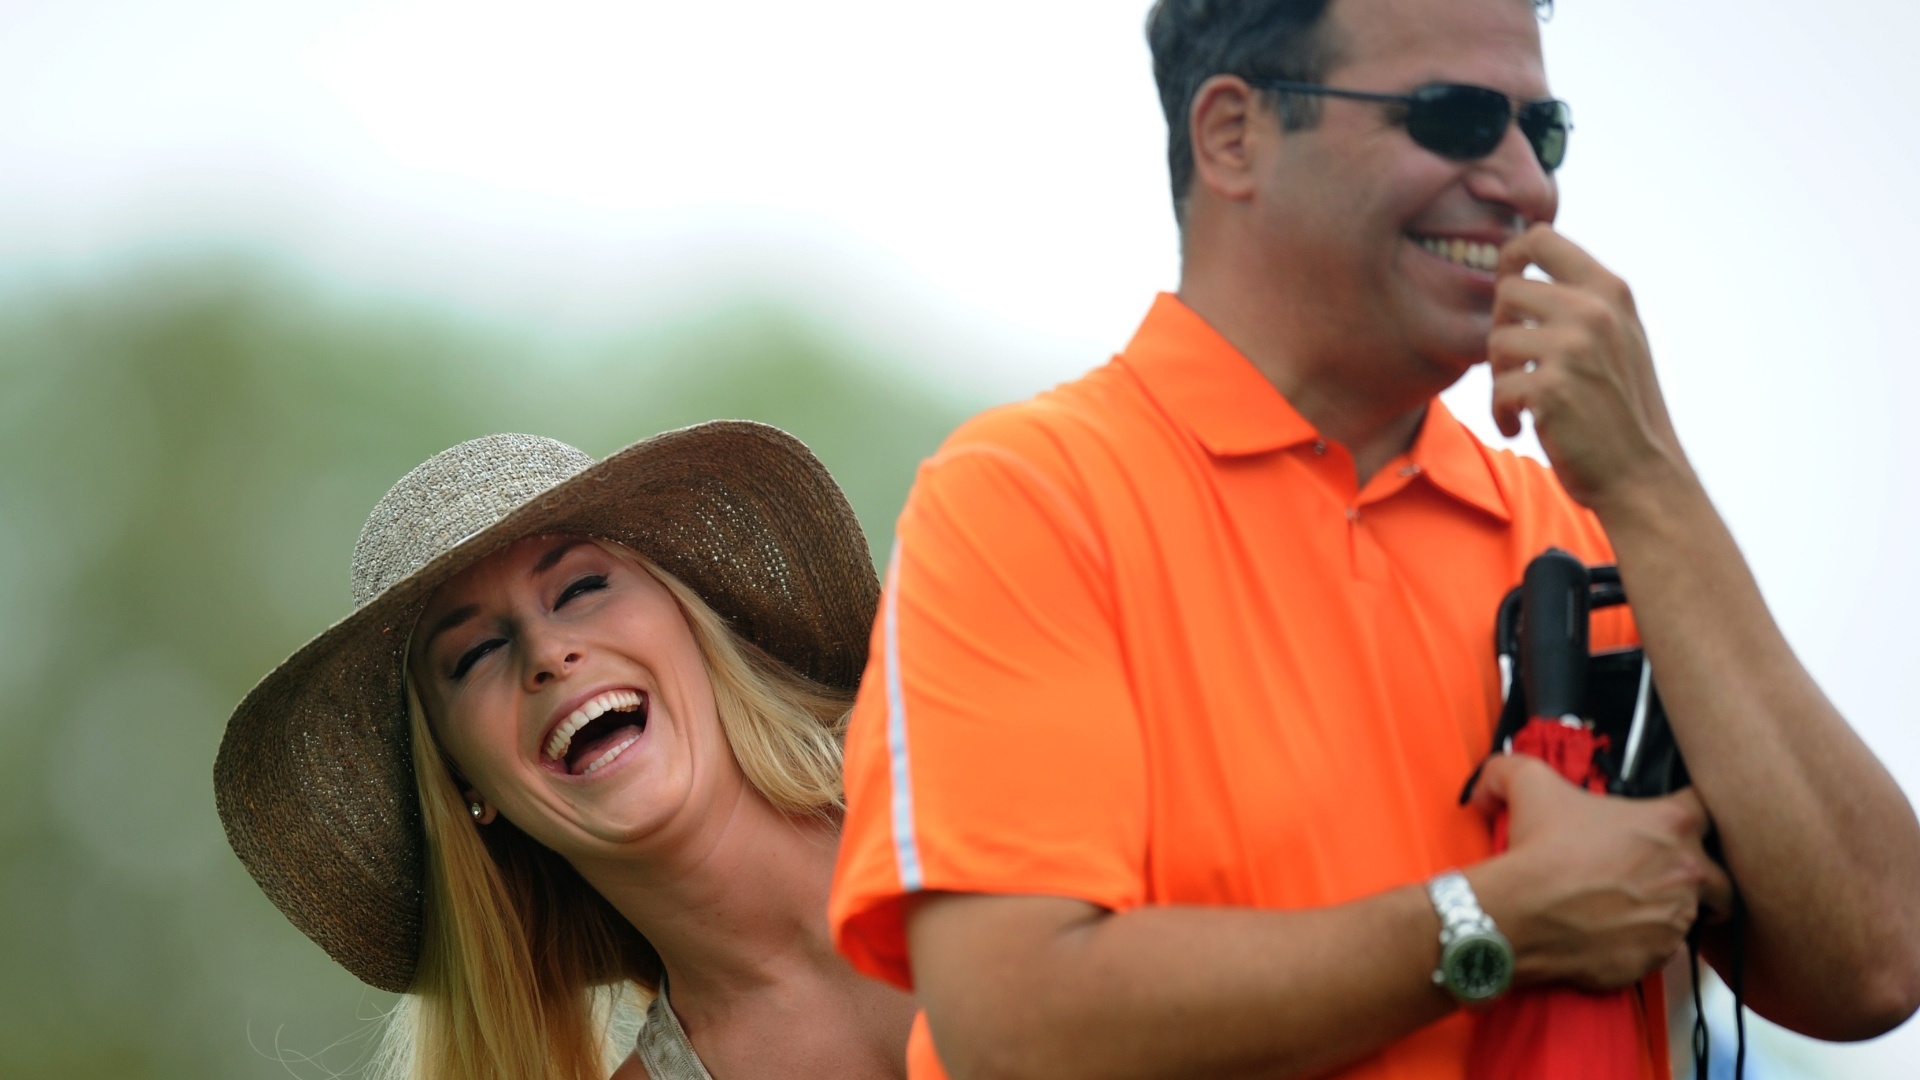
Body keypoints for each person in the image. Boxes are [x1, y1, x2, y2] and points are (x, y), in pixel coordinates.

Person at [827, 1, 1920, 1078]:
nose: (1525, 183)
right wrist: (1493, 924)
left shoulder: (1590, 525)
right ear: (1234, 134)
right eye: (1453, 117)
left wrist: (1652, 482)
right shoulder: (1030, 500)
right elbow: (1016, 1027)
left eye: (1543, 133)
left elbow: (1877, 965)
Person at [215, 424, 914, 1080]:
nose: (548, 654)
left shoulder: (975, 803)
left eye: (581, 588)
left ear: (695, 624)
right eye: (476, 653)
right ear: (464, 781)